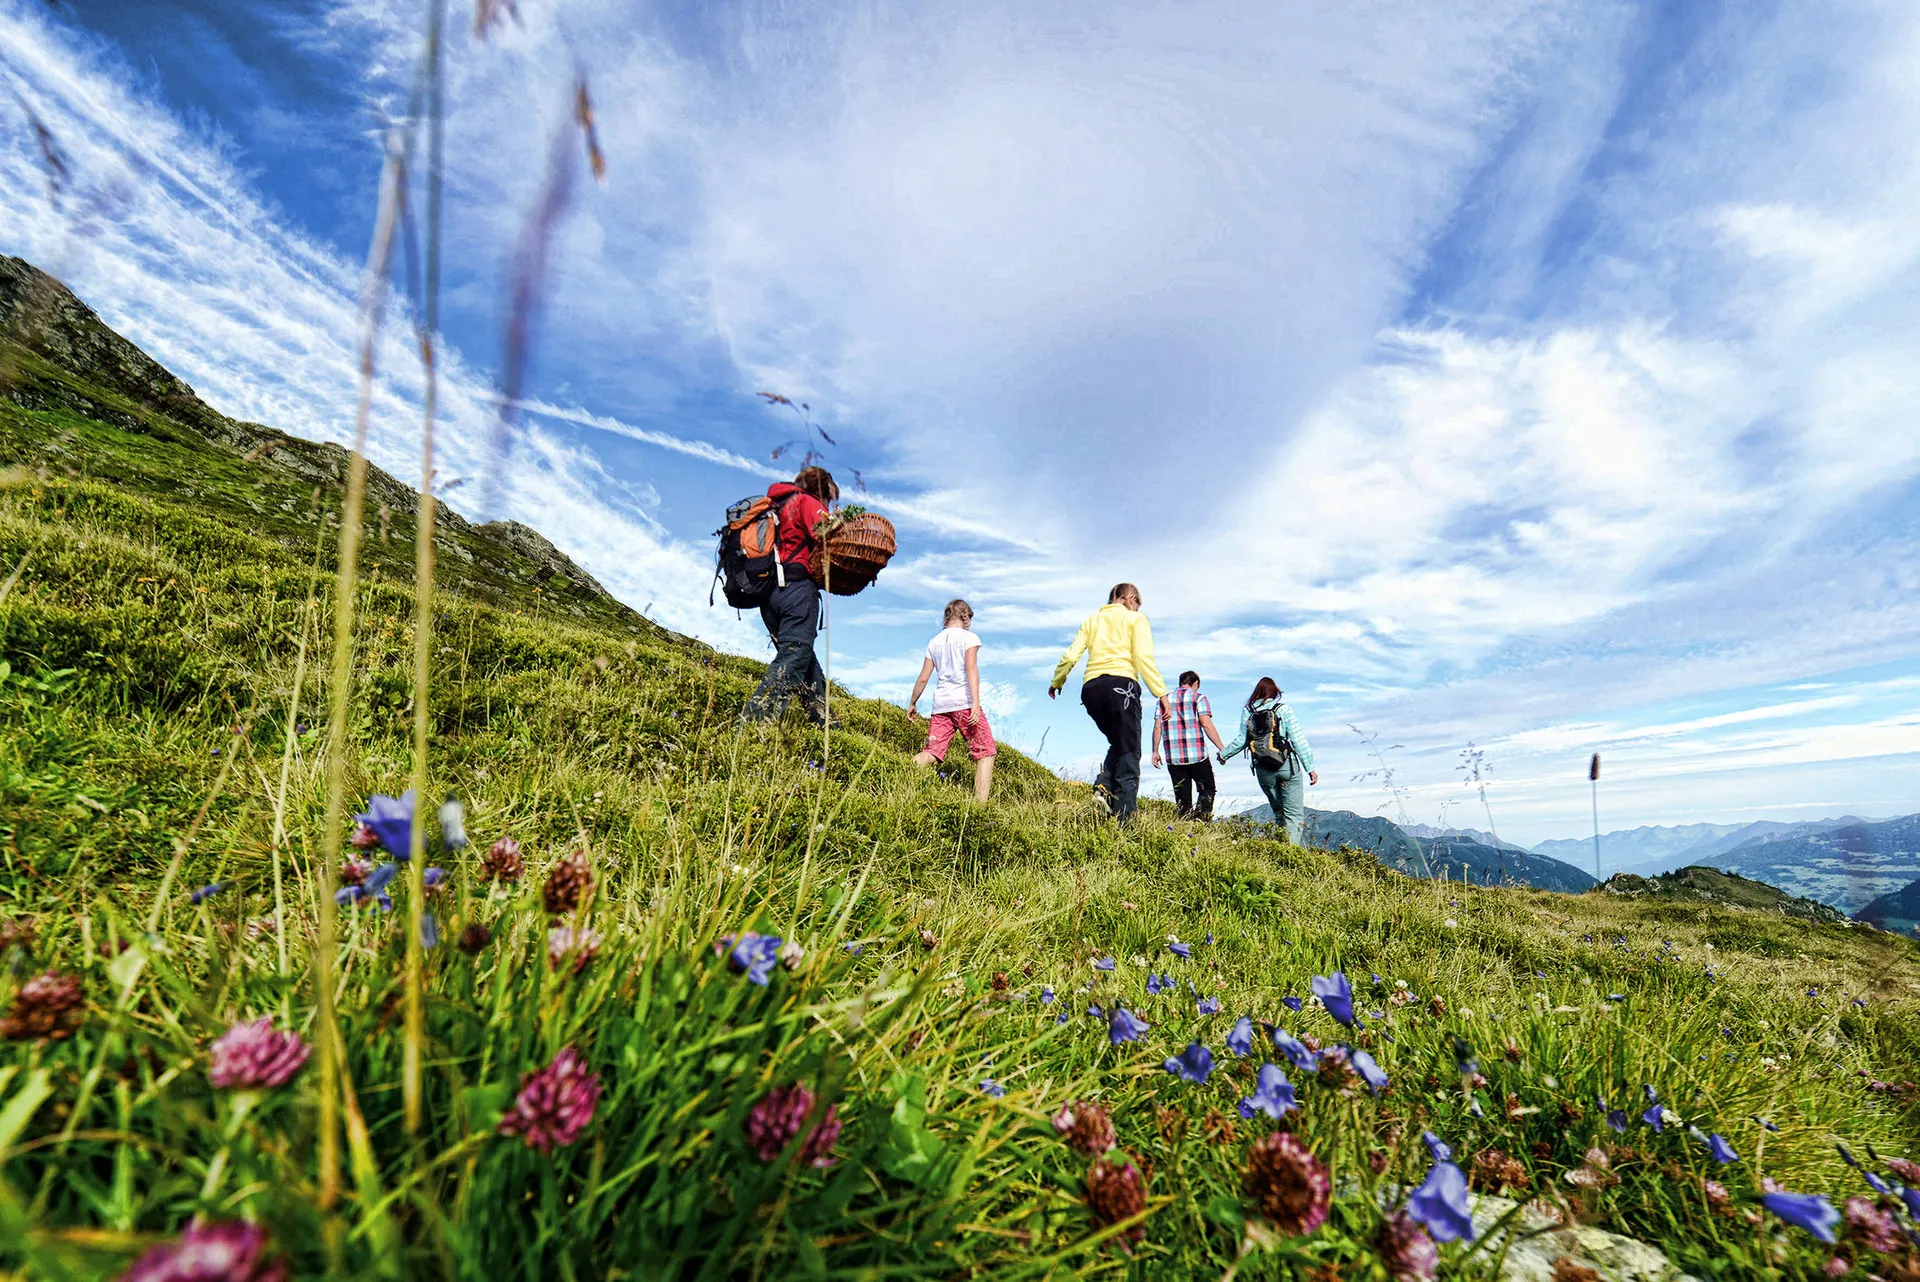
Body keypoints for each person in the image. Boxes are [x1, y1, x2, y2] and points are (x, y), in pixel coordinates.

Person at [1048, 583, 1169, 823]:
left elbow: (1072, 655)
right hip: (1122, 687)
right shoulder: (1136, 620)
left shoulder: (1091, 621)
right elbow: (1143, 657)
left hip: (1091, 690)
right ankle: (1126, 822)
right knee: (1131, 751)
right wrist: (1161, 694)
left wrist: (1057, 680)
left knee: (1120, 743)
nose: (1136, 609)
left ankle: (1102, 788)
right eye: (1136, 604)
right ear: (1129, 598)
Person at [743, 466, 837, 723]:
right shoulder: (806, 502)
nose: (828, 503)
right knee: (794, 657)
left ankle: (827, 725)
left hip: (769, 595)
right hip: (797, 591)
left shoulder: (774, 504)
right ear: (822, 490)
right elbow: (828, 534)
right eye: (829, 498)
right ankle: (752, 725)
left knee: (803, 660)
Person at [906, 599, 996, 801]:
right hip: (963, 703)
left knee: (933, 752)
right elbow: (971, 669)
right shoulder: (969, 638)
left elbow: (923, 677)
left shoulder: (934, 642)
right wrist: (975, 703)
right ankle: (979, 807)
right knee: (986, 751)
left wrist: (913, 703)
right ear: (966, 616)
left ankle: (904, 774)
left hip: (940, 706)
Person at [1219, 677, 1318, 844]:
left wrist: (1223, 755)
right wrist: (1310, 768)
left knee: (1279, 813)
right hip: (1287, 766)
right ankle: (1291, 857)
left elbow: (1242, 740)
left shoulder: (1248, 711)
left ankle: (1280, 849)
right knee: (1293, 816)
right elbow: (1298, 740)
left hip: (1262, 768)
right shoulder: (1283, 710)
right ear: (1275, 693)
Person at [1152, 670, 1226, 820]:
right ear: (1195, 683)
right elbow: (1206, 724)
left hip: (1173, 757)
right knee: (1207, 789)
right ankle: (1201, 822)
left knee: (1182, 799)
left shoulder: (1163, 700)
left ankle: (1184, 827)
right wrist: (1222, 748)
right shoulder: (1198, 698)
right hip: (1197, 756)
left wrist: (1155, 751)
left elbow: (1157, 726)